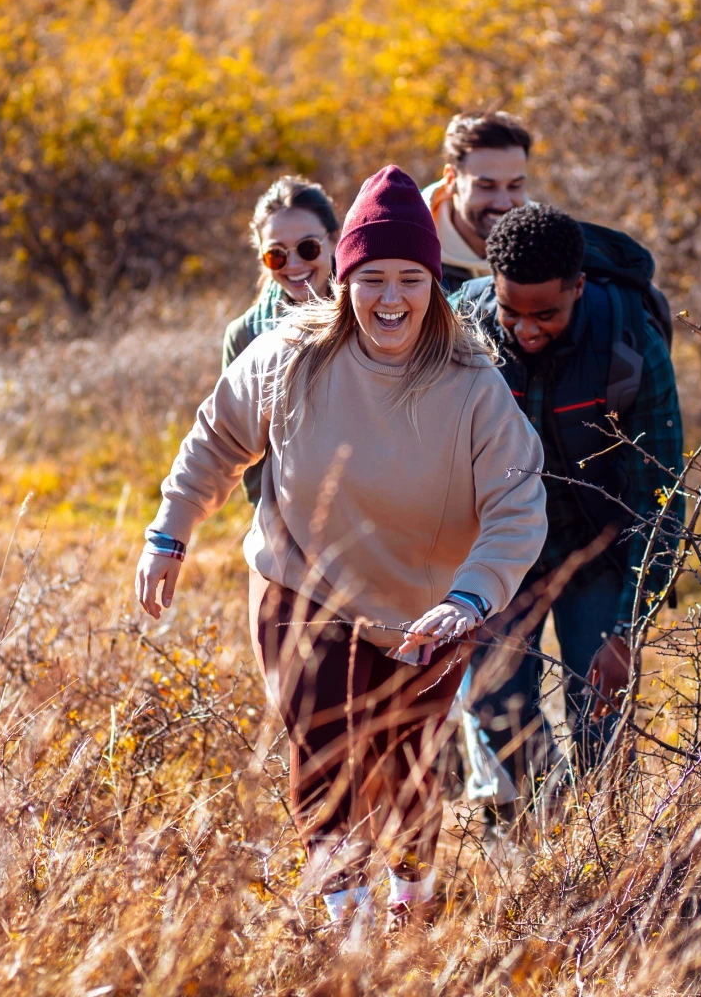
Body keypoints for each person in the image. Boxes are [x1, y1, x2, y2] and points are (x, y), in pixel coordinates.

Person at [134, 166, 547, 923]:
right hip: (302, 585)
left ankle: (412, 899)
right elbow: (217, 436)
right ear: (345, 279)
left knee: (406, 762)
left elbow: (517, 506)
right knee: (323, 745)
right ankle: (348, 926)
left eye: (410, 279)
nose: (391, 298)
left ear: (433, 286)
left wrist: (470, 597)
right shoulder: (291, 354)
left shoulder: (472, 384)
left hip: (428, 609)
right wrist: (171, 530)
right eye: (372, 278)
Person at [456, 202, 685, 816]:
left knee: (601, 721)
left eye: (546, 315)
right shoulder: (462, 330)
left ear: (578, 287)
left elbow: (660, 494)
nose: (526, 330)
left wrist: (626, 630)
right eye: (511, 312)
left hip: (595, 551)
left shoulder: (629, 343)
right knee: (497, 711)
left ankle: (604, 844)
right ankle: (546, 831)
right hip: (498, 555)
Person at [223, 177, 341, 505]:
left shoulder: (371, 312)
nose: (294, 265)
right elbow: (243, 449)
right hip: (291, 514)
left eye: (308, 247)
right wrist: (273, 521)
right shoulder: (246, 335)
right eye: (276, 255)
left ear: (334, 239)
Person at [420, 111, 533, 291]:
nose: (504, 203)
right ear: (451, 179)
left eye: (515, 185)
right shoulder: (404, 252)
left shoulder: (554, 249)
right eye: (486, 186)